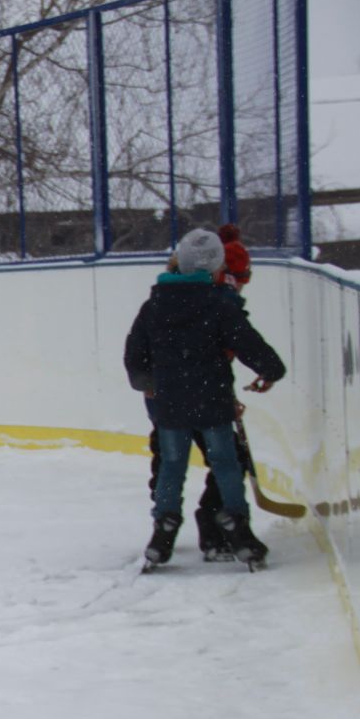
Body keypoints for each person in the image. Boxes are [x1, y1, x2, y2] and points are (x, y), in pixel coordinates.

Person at [125, 227, 285, 569]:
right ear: (215, 269)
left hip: (169, 404)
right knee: (226, 463)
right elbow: (248, 344)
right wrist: (271, 371)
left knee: (172, 466)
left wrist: (145, 382)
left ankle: (164, 528)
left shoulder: (153, 305)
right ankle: (236, 526)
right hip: (212, 401)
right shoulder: (218, 304)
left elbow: (134, 352)